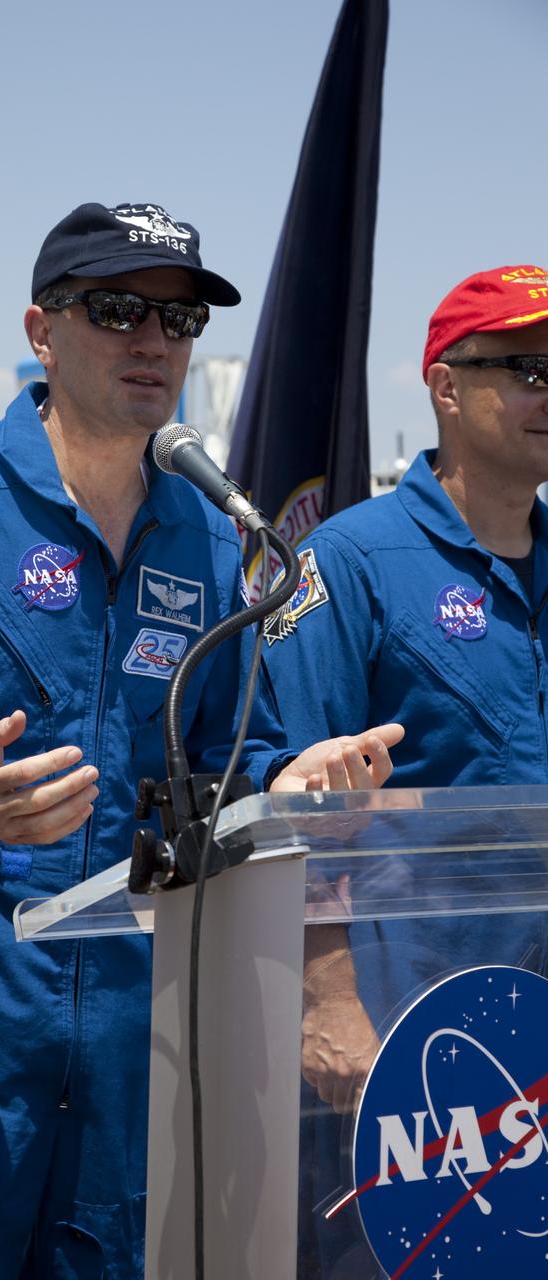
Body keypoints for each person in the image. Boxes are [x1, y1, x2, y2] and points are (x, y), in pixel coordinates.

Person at [0, 200, 401, 1280]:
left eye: (180, 320)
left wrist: (292, 777)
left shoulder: (208, 534)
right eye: (118, 310)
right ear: (40, 329)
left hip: (123, 1061)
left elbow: (232, 754)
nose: (154, 342)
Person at [263, 262, 548, 1275]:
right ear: (444, 385)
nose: (545, 394)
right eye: (526, 368)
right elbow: (290, 802)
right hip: (407, 1033)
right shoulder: (349, 564)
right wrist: (330, 1003)